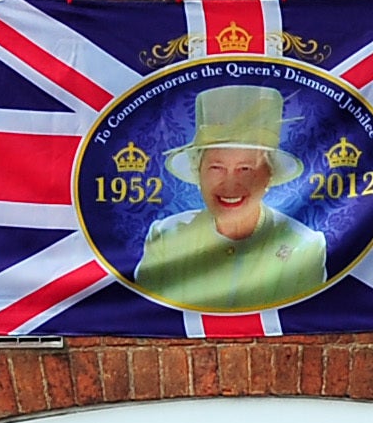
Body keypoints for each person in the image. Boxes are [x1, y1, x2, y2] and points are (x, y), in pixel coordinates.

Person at [128, 82, 333, 312]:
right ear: (198, 173)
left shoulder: (304, 247)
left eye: (245, 169)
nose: (230, 184)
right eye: (216, 168)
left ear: (269, 176)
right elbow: (146, 321)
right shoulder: (165, 238)